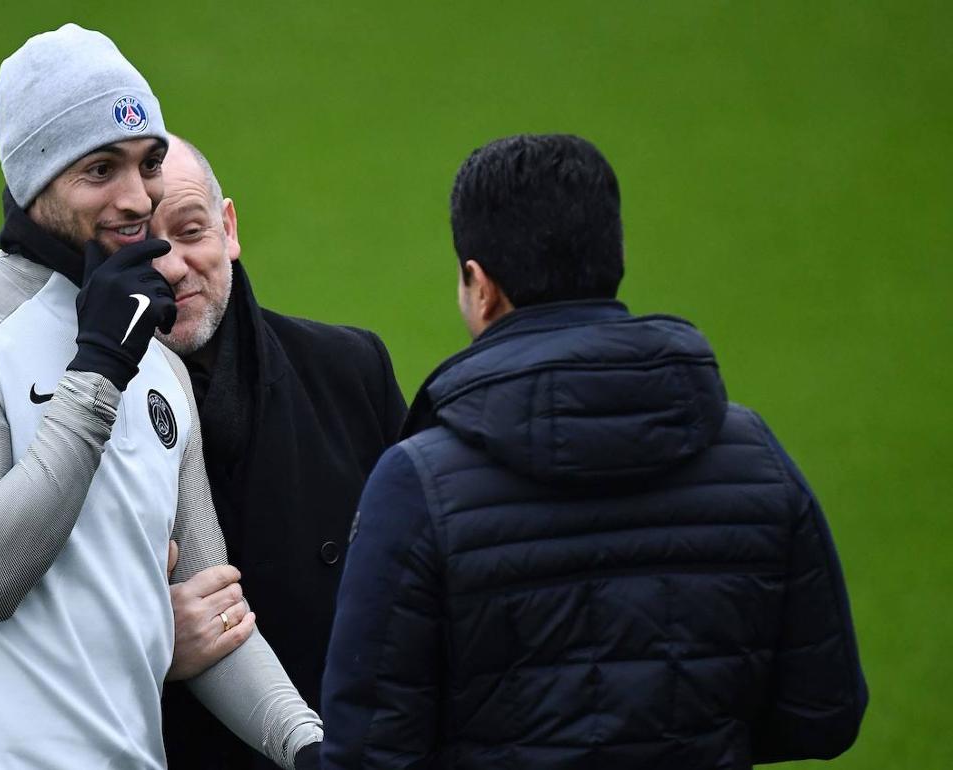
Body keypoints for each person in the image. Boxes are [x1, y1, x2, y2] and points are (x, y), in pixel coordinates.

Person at [321, 134, 868, 769]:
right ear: (616, 256)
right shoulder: (756, 458)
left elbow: (368, 753)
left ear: (480, 284)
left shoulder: (416, 484)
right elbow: (824, 716)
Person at [0, 24, 320, 769]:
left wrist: (309, 746)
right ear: (34, 179)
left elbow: (216, 620)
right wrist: (100, 367)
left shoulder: (162, 365)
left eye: (146, 164)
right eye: (99, 170)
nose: (135, 198)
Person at [148, 136, 407, 769]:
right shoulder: (76, 418)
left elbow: (429, 584)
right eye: (144, 248)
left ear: (229, 227)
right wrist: (150, 641)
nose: (174, 267)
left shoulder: (350, 371)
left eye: (191, 232)